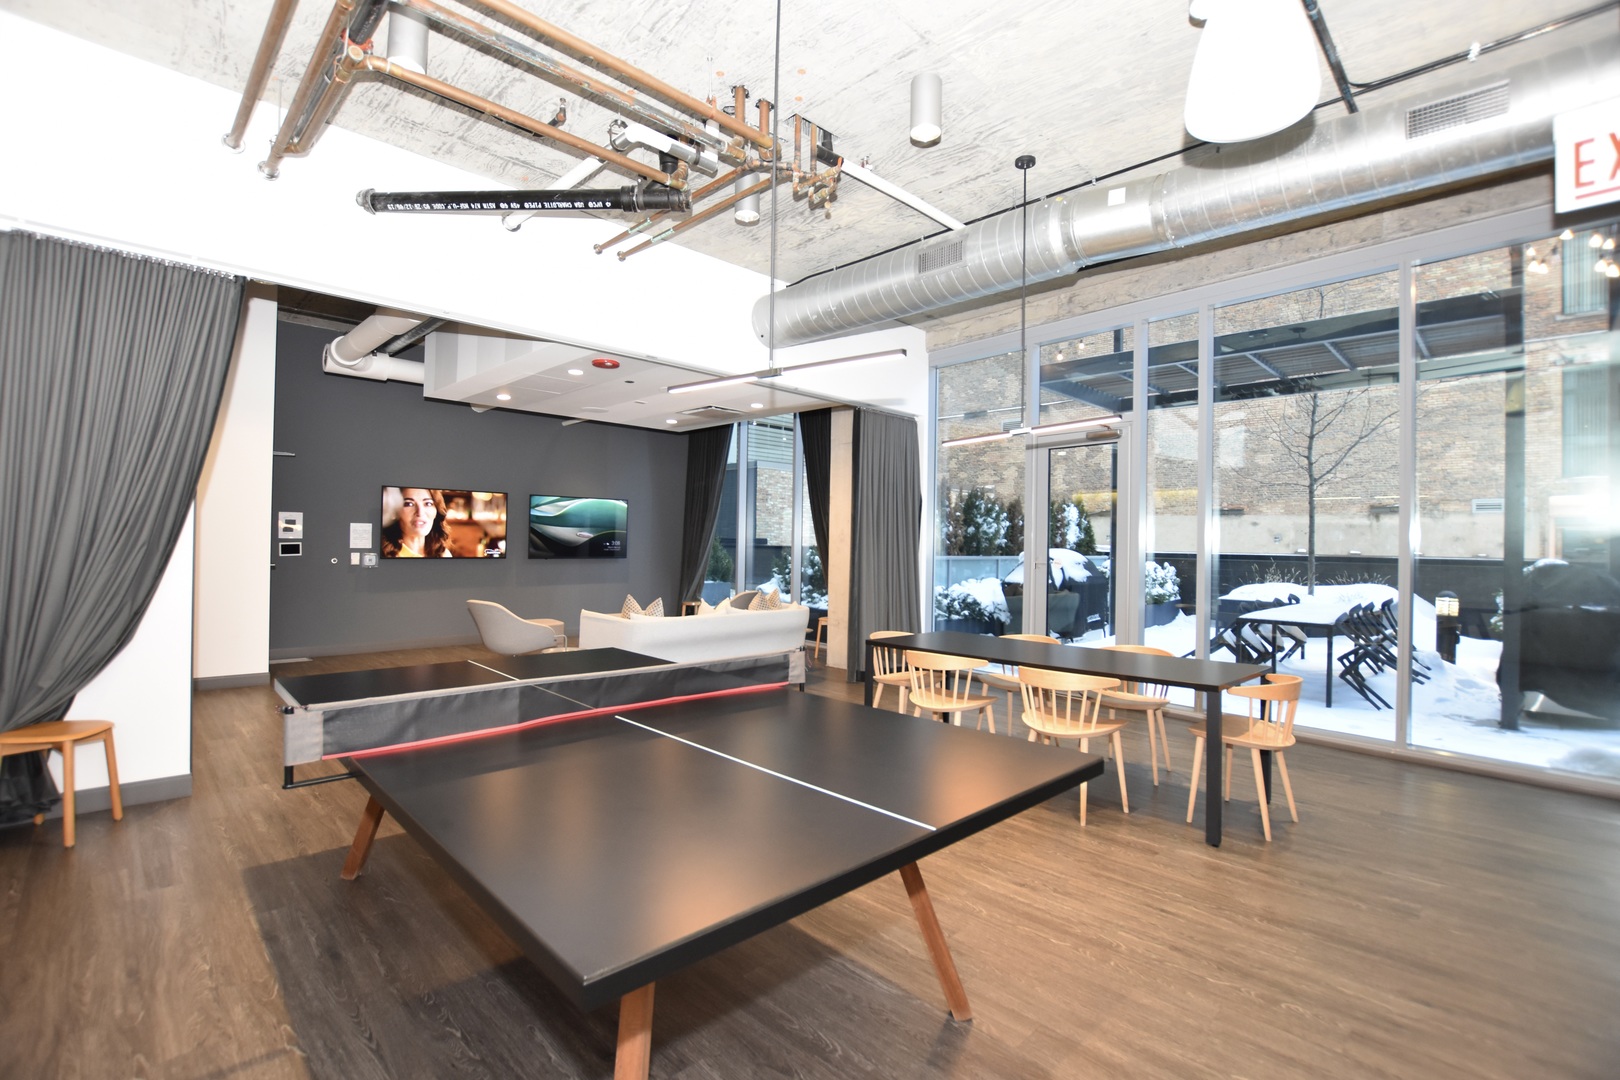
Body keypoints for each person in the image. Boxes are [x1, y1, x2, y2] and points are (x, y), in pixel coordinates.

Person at [381, 486, 452, 558]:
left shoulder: (443, 555)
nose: (420, 512)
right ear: (394, 511)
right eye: (409, 504)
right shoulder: (383, 554)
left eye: (428, 503)